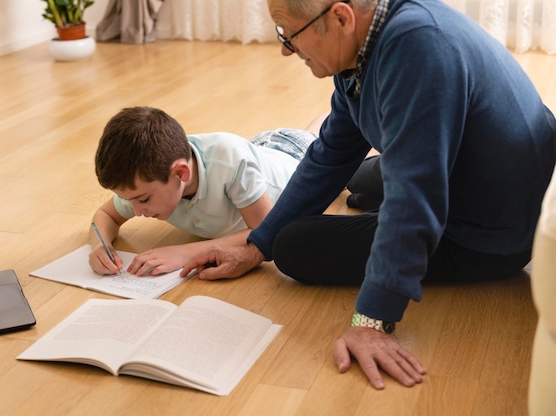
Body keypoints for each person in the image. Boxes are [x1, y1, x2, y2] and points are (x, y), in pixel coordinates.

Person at [180, 0, 556, 390]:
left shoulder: (417, 47)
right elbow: (330, 155)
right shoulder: (366, 39)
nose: (285, 50)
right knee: (358, 178)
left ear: (340, 17)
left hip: (494, 231)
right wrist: (256, 245)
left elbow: (414, 200)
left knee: (295, 246)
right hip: (476, 171)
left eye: (288, 35)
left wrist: (372, 320)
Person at [88, 106, 318, 276]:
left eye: (143, 200)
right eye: (126, 200)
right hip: (258, 149)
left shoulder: (232, 164)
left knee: (322, 133)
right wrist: (100, 245)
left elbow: (265, 230)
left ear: (181, 174)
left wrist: (185, 253)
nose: (135, 211)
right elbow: (105, 216)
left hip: (295, 153)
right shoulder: (146, 176)